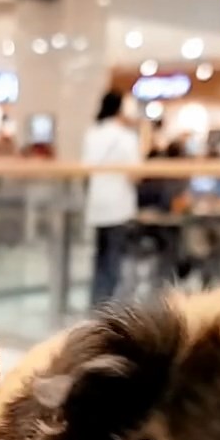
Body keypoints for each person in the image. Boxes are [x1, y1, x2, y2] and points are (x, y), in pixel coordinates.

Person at [83, 90, 140, 304]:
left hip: (97, 205)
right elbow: (134, 174)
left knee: (100, 257)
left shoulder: (93, 133)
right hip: (119, 206)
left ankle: (96, 304)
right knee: (115, 259)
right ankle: (109, 309)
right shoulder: (126, 137)